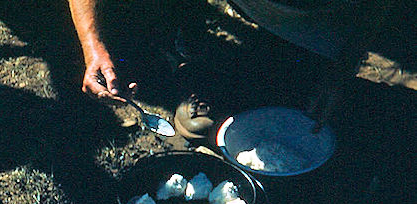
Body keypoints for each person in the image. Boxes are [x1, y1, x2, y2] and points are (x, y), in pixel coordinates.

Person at [67, 0, 378, 138]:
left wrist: (340, 71)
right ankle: (185, 54)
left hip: (327, 14)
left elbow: (383, 9)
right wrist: (93, 44)